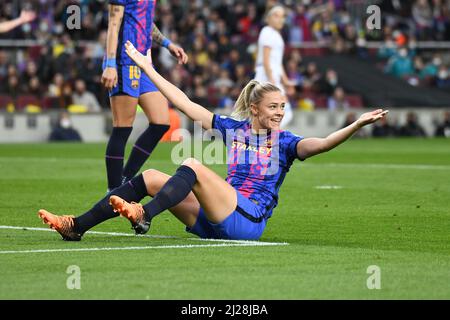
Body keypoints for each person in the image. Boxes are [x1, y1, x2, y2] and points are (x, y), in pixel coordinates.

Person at [38, 41, 389, 242]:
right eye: (273, 107)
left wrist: (356, 123)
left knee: (191, 163)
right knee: (148, 178)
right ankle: (75, 226)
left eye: (282, 106)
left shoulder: (285, 143)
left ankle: (144, 214)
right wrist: (149, 69)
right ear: (254, 108)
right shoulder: (234, 129)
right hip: (213, 219)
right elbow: (185, 104)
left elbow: (325, 143)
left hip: (247, 221)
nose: (280, 113)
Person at [101, 0, 188, 192]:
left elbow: (144, 21)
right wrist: (109, 64)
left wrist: (167, 43)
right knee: (122, 127)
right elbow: (114, 24)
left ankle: (124, 181)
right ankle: (112, 191)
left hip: (142, 62)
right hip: (123, 60)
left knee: (161, 123)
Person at [254, 5, 295, 128]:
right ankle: (267, 137)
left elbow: (278, 62)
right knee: (285, 111)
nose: (280, 19)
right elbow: (266, 60)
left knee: (266, 111)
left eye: (282, 16)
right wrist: (273, 81)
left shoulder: (276, 35)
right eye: (276, 16)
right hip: (266, 75)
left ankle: (262, 137)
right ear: (268, 18)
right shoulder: (267, 31)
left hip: (271, 75)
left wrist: (286, 81)